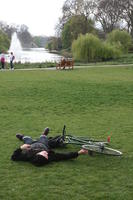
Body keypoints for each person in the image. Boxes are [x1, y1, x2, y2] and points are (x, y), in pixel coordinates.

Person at [11, 127, 88, 166]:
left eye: (44, 154)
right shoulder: (50, 157)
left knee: (27, 139)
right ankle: (44, 134)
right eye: (46, 155)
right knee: (43, 138)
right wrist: (79, 152)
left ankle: (22, 137)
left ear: (37, 154)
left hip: (30, 145)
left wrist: (21, 148)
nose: (46, 153)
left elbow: (14, 157)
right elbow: (65, 156)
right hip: (43, 144)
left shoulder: (28, 156)